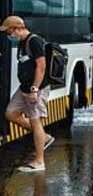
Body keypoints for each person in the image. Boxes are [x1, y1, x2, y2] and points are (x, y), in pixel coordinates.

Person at [1, 16, 55, 172]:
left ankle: (39, 161)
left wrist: (34, 90)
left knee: (35, 121)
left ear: (16, 29)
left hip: (34, 89)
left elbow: (41, 67)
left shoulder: (34, 41)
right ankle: (44, 137)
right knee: (11, 113)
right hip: (24, 88)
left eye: (9, 31)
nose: (8, 35)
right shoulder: (23, 42)